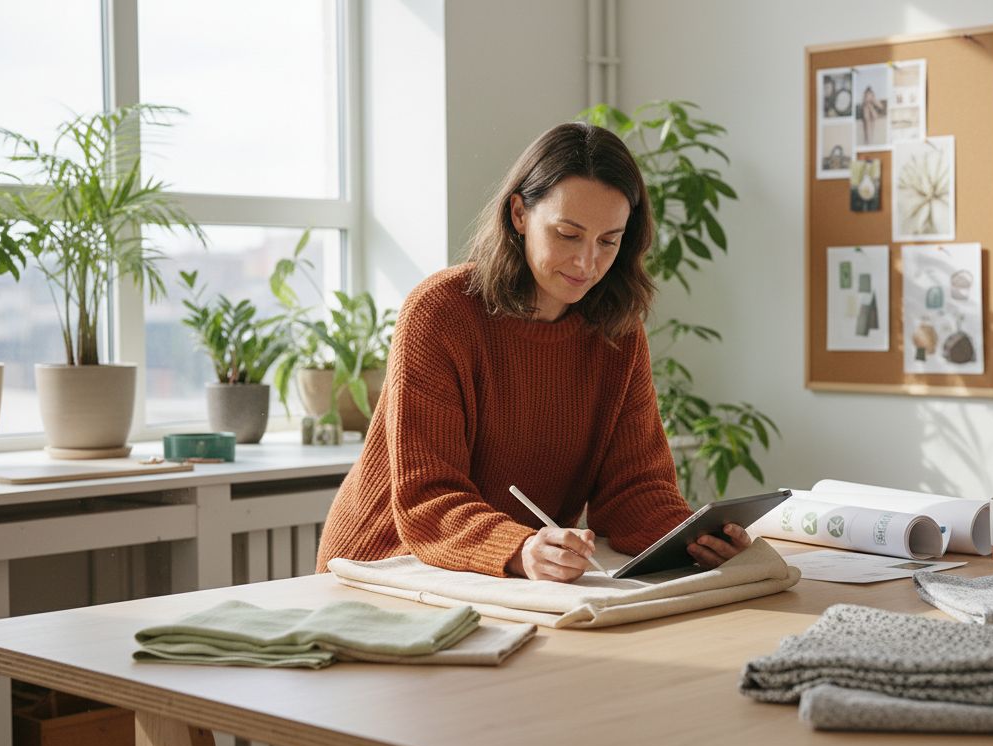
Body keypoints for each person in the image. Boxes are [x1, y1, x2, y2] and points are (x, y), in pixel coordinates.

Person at [315, 122, 752, 582]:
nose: (587, 263)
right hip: (387, 565)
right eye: (567, 234)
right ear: (520, 214)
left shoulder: (616, 330)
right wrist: (518, 548)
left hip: (505, 577)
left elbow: (633, 490)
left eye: (609, 241)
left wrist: (695, 538)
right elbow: (428, 497)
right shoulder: (440, 312)